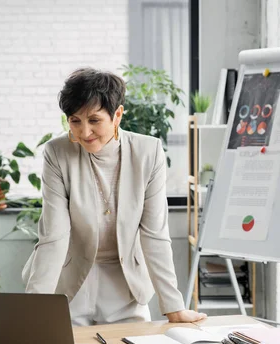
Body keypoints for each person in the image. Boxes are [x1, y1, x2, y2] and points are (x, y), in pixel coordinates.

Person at [22, 67, 207, 326]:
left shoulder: (148, 152)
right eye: (75, 121)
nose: (84, 132)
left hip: (125, 284)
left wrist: (173, 306)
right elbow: (54, 235)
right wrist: (35, 306)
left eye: (94, 120)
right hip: (71, 282)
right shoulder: (57, 153)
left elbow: (154, 234)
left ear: (117, 115)